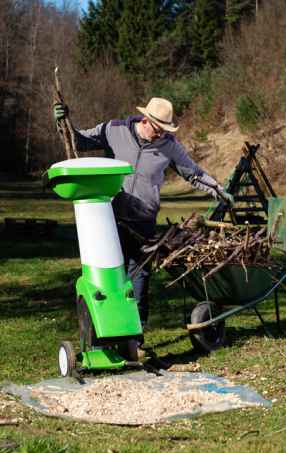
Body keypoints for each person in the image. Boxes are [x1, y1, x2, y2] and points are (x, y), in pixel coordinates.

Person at [54, 97, 233, 329]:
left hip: (143, 220)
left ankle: (136, 330)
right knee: (110, 274)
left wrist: (218, 190)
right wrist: (62, 122)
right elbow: (78, 140)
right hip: (110, 218)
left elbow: (193, 173)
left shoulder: (169, 145)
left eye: (165, 130)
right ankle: (108, 327)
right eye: (158, 129)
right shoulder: (113, 130)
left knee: (139, 275)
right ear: (145, 120)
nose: (160, 135)